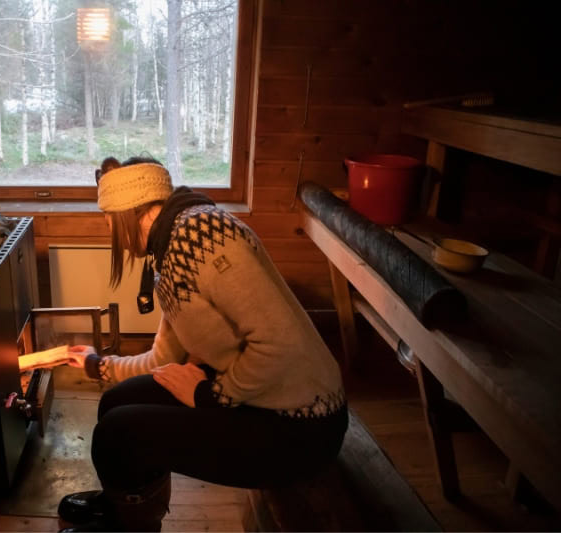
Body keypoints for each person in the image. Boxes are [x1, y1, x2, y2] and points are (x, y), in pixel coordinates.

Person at [57, 155, 347, 532]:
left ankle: (128, 525)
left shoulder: (201, 237)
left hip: (300, 426)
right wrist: (98, 364)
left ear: (129, 211)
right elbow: (162, 359)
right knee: (116, 402)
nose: (108, 228)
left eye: (108, 218)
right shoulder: (171, 248)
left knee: (119, 433)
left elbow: (279, 345)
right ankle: (125, 505)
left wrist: (209, 396)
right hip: (258, 396)